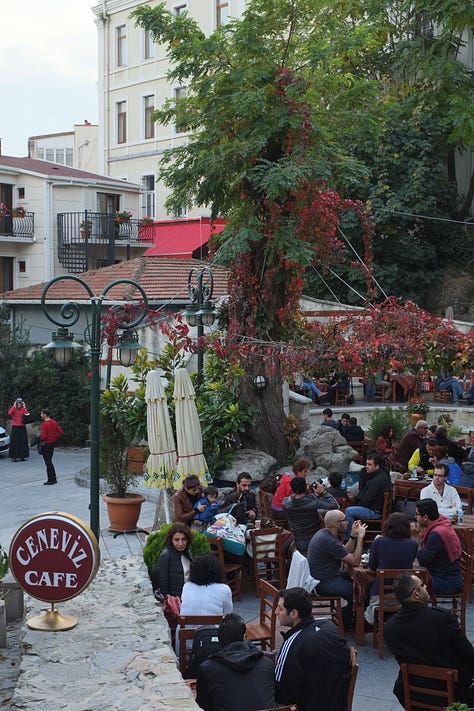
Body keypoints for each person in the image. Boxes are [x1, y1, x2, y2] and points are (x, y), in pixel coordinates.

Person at [385, 572, 474, 706]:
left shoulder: (390, 628)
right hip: (453, 694)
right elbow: (467, 652)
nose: (426, 586)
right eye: (422, 585)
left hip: (415, 696)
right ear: (416, 594)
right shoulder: (441, 618)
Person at [274, 587, 352, 711]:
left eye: (280, 608)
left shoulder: (293, 643)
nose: (276, 612)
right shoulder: (330, 627)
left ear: (294, 613)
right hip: (338, 703)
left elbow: (282, 693)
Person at [196, 613, 276, 711]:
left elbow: (202, 705)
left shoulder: (208, 668)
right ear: (244, 638)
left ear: (220, 641)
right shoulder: (266, 664)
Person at [307, 509, 367, 628]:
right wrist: (360, 538)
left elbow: (344, 551)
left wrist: (353, 536)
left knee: (359, 582)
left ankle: (349, 619)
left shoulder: (324, 534)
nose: (348, 522)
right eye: (345, 520)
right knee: (359, 593)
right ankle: (347, 622)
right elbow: (355, 561)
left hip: (327, 576)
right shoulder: (328, 540)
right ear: (336, 524)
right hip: (323, 583)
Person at [364, 512, 418, 624]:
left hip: (381, 595)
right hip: (404, 594)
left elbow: (372, 567)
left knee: (362, 589)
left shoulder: (379, 542)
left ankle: (366, 623)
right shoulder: (413, 544)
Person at [412, 498, 462, 594]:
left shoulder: (436, 534)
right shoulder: (441, 522)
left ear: (425, 517)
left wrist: (415, 538)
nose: (415, 517)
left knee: (408, 584)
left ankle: (418, 609)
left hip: (446, 581)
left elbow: (423, 561)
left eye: (417, 515)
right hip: (446, 575)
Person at [282, 476, 339, 554]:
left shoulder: (286, 503)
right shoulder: (313, 502)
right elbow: (334, 505)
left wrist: (313, 495)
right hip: (315, 539)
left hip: (298, 541)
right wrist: (323, 492)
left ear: (292, 489)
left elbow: (300, 504)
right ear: (305, 487)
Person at [344, 451, 391, 538]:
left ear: (377, 466)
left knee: (349, 511)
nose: (366, 467)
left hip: (374, 511)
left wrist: (355, 500)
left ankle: (348, 539)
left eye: (369, 465)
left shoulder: (377, 481)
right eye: (366, 464)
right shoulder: (377, 475)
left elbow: (367, 501)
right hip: (373, 507)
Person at [151, 522, 192, 600]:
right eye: (176, 540)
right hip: (174, 601)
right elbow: (161, 583)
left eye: (183, 539)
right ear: (171, 540)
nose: (180, 543)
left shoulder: (188, 553)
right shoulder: (166, 556)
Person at [38, 408, 63, 485]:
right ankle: (53, 478)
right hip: (52, 444)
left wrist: (38, 438)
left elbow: (44, 436)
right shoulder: (53, 422)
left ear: (45, 415)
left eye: (41, 414)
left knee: (48, 463)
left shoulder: (44, 424)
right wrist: (53, 436)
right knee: (49, 461)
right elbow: (60, 432)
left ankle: (51, 479)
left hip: (46, 444)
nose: (41, 415)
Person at [8, 397, 30, 462]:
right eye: (18, 403)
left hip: (22, 427)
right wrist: (13, 406)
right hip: (15, 427)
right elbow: (9, 413)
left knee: (22, 442)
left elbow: (27, 415)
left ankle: (22, 456)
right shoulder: (14, 409)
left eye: (20, 403)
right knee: (15, 442)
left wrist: (24, 407)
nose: (19, 404)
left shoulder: (23, 409)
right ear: (16, 403)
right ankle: (14, 457)